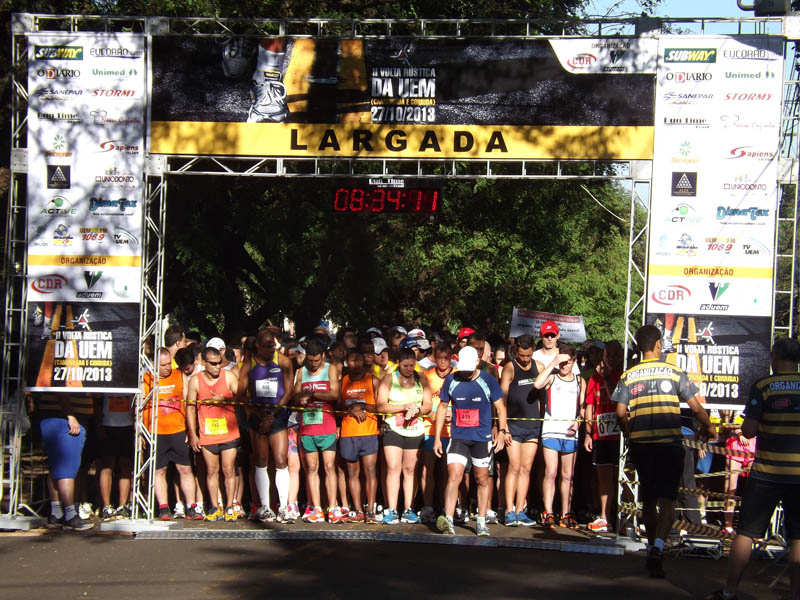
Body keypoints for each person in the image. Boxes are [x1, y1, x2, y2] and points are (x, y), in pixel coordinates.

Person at [613, 325, 716, 578]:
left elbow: (620, 413)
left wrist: (628, 430)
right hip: (669, 444)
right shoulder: (674, 372)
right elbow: (696, 407)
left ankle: (651, 547)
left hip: (642, 445)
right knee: (669, 500)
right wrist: (709, 427)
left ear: (639, 347)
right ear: (658, 345)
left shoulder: (629, 375)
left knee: (648, 499)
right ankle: (659, 546)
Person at [707, 337, 800, 600]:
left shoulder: (763, 386)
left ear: (774, 357)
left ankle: (730, 591)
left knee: (746, 532)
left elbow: (748, 430)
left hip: (767, 472)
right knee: (798, 536)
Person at [434, 346, 509, 536]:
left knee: (482, 478)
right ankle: (448, 519)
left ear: (477, 362)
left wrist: (501, 431)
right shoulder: (451, 379)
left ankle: (481, 520)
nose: (465, 373)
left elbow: (501, 408)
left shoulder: (487, 380)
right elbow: (442, 407)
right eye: (463, 368)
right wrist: (437, 438)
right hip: (459, 436)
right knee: (454, 476)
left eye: (469, 369)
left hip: (481, 438)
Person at [237, 329, 295, 523]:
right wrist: (258, 413)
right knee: (260, 460)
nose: (271, 350)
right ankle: (264, 506)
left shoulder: (284, 362)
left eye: (273, 346)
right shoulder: (249, 365)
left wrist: (273, 413)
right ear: (257, 346)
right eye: (267, 347)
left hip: (277, 416)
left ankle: (284, 507)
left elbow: (289, 391)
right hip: (257, 416)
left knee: (280, 459)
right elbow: (240, 394)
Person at [142, 348, 201, 521]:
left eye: (169, 363)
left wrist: (190, 430)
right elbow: (139, 407)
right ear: (154, 364)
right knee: (159, 470)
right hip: (156, 432)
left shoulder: (179, 376)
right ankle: (163, 508)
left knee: (185, 469)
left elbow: (189, 404)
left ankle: (191, 506)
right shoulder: (146, 379)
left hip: (178, 431)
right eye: (163, 365)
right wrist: (139, 432)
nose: (168, 367)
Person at [375, 347, 432, 524]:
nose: (409, 369)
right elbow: (381, 405)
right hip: (393, 427)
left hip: (415, 428)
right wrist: (403, 407)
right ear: (398, 363)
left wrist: (417, 410)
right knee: (393, 468)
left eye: (412, 365)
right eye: (405, 366)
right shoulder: (389, 378)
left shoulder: (421, 378)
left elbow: (428, 405)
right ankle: (391, 509)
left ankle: (408, 509)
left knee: (410, 470)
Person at [186, 347, 241, 521]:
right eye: (213, 364)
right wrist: (192, 434)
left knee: (228, 469)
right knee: (211, 470)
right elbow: (190, 407)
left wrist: (225, 400)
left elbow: (243, 398)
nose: (218, 367)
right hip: (207, 433)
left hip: (229, 432)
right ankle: (215, 507)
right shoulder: (195, 380)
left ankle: (230, 506)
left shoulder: (229, 376)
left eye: (219, 363)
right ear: (204, 363)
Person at [534, 343, 584, 530]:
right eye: (562, 362)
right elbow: (537, 384)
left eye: (567, 362)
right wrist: (553, 363)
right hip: (551, 430)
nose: (564, 366)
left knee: (568, 475)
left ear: (574, 362)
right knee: (551, 472)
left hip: (570, 433)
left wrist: (579, 421)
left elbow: (582, 408)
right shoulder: (552, 377)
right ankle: (548, 512)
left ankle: (566, 513)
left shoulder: (580, 381)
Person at [294, 339, 341, 524]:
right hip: (308, 426)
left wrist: (312, 394)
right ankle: (317, 508)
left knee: (329, 467)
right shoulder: (301, 372)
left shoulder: (330, 369)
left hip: (327, 426)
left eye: (316, 360)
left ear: (322, 356)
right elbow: (295, 396)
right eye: (310, 360)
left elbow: (335, 394)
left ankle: (333, 508)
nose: (313, 364)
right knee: (311, 468)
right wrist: (300, 399)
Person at [35, 392, 95, 530]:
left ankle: (56, 512)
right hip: (66, 418)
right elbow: (61, 388)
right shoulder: (69, 374)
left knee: (57, 464)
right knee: (67, 467)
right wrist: (70, 415)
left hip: (57, 416)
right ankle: (70, 514)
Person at [583, 340, 624, 532]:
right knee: (604, 478)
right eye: (609, 355)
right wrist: (588, 433)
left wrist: (607, 377)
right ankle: (605, 517)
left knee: (624, 478)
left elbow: (617, 399)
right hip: (602, 435)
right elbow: (589, 406)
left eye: (616, 354)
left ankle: (625, 518)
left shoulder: (624, 376)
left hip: (621, 436)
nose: (612, 358)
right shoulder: (594, 378)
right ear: (604, 356)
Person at [501, 334, 540, 527]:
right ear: (516, 351)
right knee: (514, 467)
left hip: (533, 425)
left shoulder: (538, 366)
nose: (525, 359)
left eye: (528, 355)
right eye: (522, 355)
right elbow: (501, 399)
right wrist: (504, 427)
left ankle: (520, 510)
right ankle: (509, 510)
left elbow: (542, 396)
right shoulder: (510, 368)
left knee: (526, 468)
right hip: (513, 425)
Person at [339, 347, 381, 523]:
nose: (355, 364)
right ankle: (357, 509)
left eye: (358, 360)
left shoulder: (373, 380)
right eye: (352, 360)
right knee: (352, 472)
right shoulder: (342, 381)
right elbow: (337, 406)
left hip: (369, 432)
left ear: (364, 361)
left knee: (370, 471)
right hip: (348, 433)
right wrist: (351, 408)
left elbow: (380, 406)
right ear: (346, 362)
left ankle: (370, 509)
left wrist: (362, 406)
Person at [420, 342, 454, 523]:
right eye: (439, 357)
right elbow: (420, 402)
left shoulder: (457, 376)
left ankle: (445, 507)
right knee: (428, 470)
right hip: (429, 429)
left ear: (451, 358)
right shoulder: (426, 376)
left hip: (451, 431)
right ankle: (427, 507)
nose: (442, 361)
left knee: (448, 472)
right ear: (434, 357)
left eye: (446, 358)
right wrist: (432, 414)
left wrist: (453, 414)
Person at [95, 394, 134, 520]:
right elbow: (97, 403)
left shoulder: (133, 382)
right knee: (107, 466)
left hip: (127, 427)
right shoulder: (106, 384)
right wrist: (99, 424)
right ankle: (106, 506)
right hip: (107, 426)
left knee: (125, 467)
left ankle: (122, 506)